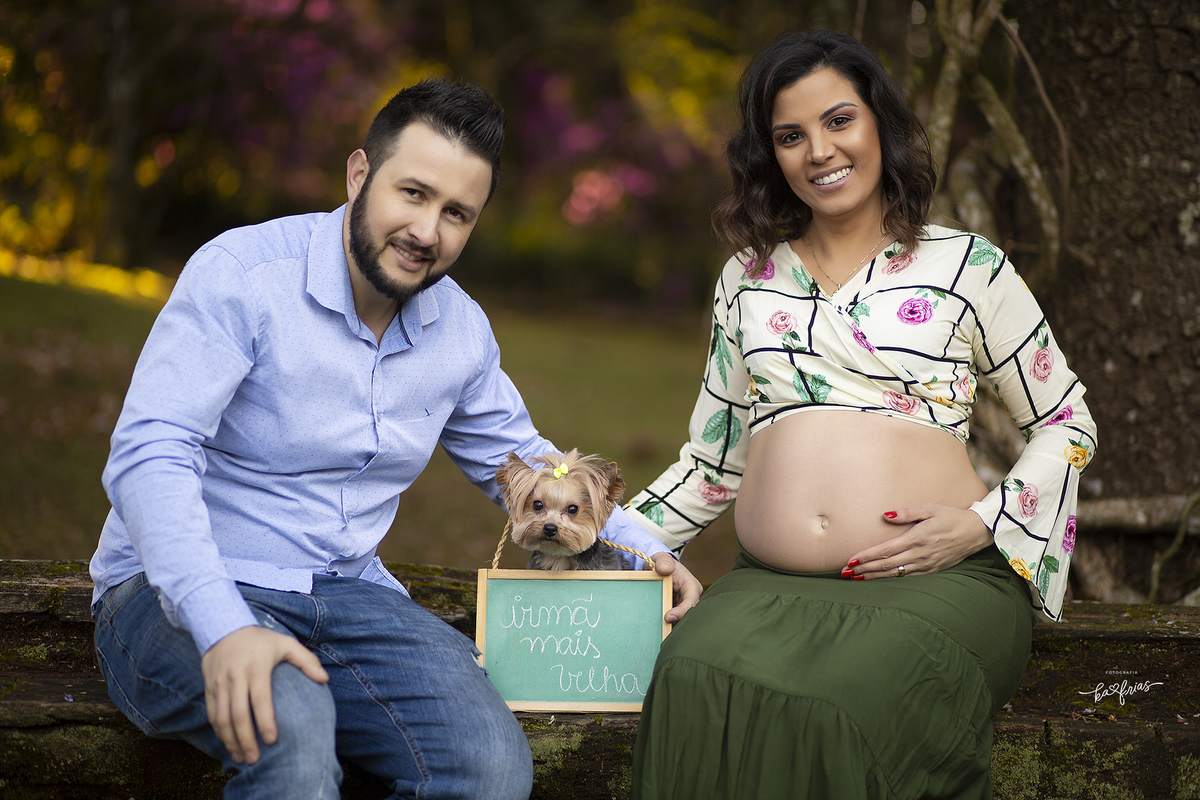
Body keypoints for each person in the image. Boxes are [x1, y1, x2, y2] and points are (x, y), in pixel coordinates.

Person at [89, 77, 701, 800]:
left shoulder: (459, 330)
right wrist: (224, 629)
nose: (427, 232)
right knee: (290, 721)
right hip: (183, 589)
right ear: (359, 174)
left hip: (348, 596)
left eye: (457, 214)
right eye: (412, 193)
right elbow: (149, 453)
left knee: (489, 769)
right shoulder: (244, 276)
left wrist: (648, 553)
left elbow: (530, 459)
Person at [624, 30, 1097, 799]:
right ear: (769, 155)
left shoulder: (967, 266)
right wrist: (609, 546)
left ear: (878, 123)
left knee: (837, 707)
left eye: (839, 120)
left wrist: (982, 522)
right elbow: (714, 461)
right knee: (691, 677)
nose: (819, 150)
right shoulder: (748, 280)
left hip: (938, 580)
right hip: (769, 588)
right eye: (790, 135)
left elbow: (1067, 422)